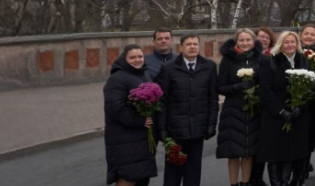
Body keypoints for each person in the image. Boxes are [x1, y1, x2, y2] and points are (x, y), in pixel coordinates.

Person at [154, 33, 218, 186]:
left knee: (194, 169)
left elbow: (212, 98)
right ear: (181, 47)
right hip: (175, 129)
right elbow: (162, 101)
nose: (192, 47)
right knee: (173, 171)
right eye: (188, 44)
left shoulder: (208, 66)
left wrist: (211, 125)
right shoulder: (169, 68)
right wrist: (161, 129)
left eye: (195, 44)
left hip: (198, 128)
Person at [258, 30, 313, 186]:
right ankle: (277, 183)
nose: (290, 45)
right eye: (286, 42)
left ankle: (290, 182)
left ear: (297, 44)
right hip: (275, 115)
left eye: (293, 42)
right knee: (276, 153)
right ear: (281, 44)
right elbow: (265, 89)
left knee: (294, 153)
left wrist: (301, 107)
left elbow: (309, 87)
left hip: (297, 115)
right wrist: (280, 111)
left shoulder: (303, 60)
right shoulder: (270, 61)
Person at [106, 44, 160, 186]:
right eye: (133, 57)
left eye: (140, 56)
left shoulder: (144, 74)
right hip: (124, 138)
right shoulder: (117, 78)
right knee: (128, 176)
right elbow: (115, 108)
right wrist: (139, 120)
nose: (137, 60)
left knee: (141, 175)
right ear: (125, 59)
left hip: (142, 137)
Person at [218, 29, 264, 186]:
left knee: (249, 151)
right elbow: (221, 87)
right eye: (241, 40)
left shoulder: (260, 59)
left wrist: (254, 90)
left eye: (248, 40)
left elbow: (265, 83)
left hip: (254, 110)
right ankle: (233, 183)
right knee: (233, 152)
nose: (245, 43)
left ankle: (245, 182)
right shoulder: (228, 60)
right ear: (236, 42)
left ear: (253, 41)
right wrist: (238, 86)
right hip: (233, 109)